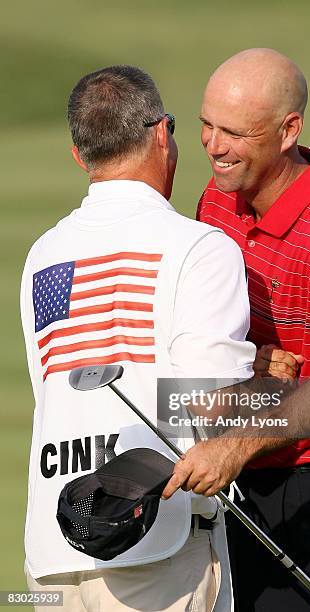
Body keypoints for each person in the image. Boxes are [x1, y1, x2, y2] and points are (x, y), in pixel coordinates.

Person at [20, 64, 261, 612]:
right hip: (155, 543)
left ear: (79, 156)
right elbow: (206, 410)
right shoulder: (200, 247)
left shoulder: (43, 256)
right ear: (162, 133)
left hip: (56, 549)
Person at [162, 49, 310, 611]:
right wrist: (248, 356)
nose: (214, 147)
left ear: (290, 130)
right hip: (238, 487)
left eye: (235, 133)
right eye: (207, 127)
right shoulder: (217, 202)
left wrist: (238, 443)